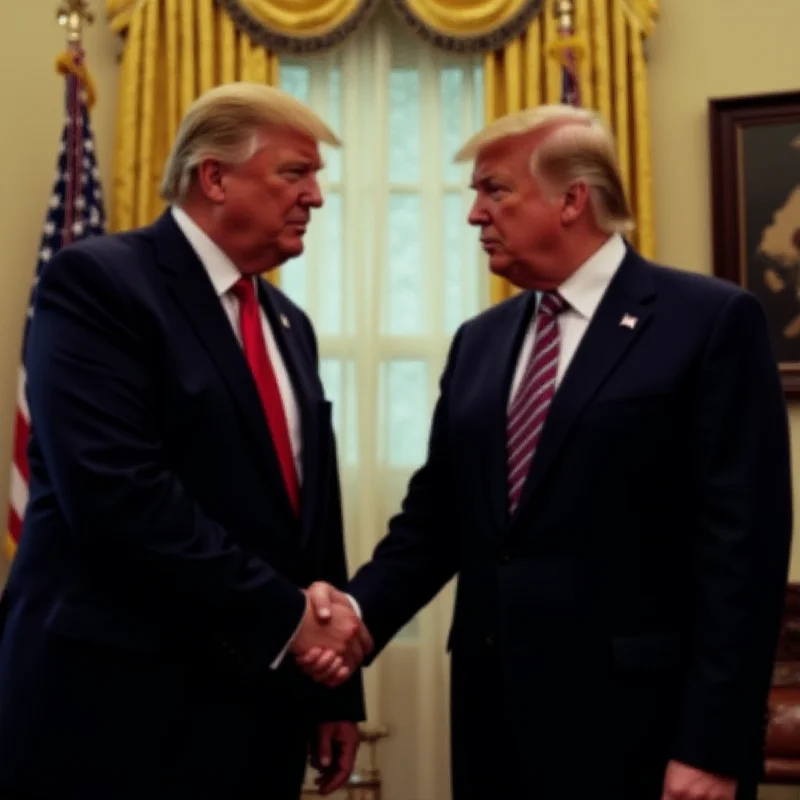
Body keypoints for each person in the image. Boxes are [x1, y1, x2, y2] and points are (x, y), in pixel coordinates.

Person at [300, 105, 793, 800]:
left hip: (643, 734)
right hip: (493, 723)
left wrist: (712, 746)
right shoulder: (481, 340)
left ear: (572, 199)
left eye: (494, 190)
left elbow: (744, 552)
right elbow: (434, 526)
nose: (474, 214)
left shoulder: (708, 322)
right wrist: (351, 620)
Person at [0, 82, 371, 800]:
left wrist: (332, 694)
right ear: (215, 177)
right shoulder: (101, 283)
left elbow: (307, 519)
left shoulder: (289, 324)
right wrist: (292, 619)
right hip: (111, 704)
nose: (316, 197)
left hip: (251, 708)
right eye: (296, 173)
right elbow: (116, 495)